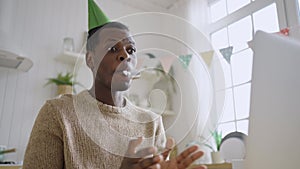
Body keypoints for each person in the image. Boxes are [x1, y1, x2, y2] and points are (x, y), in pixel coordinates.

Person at [23, 1, 207, 168]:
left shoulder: (151, 123)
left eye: (131, 50)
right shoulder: (57, 114)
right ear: (90, 59)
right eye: (112, 48)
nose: (125, 56)